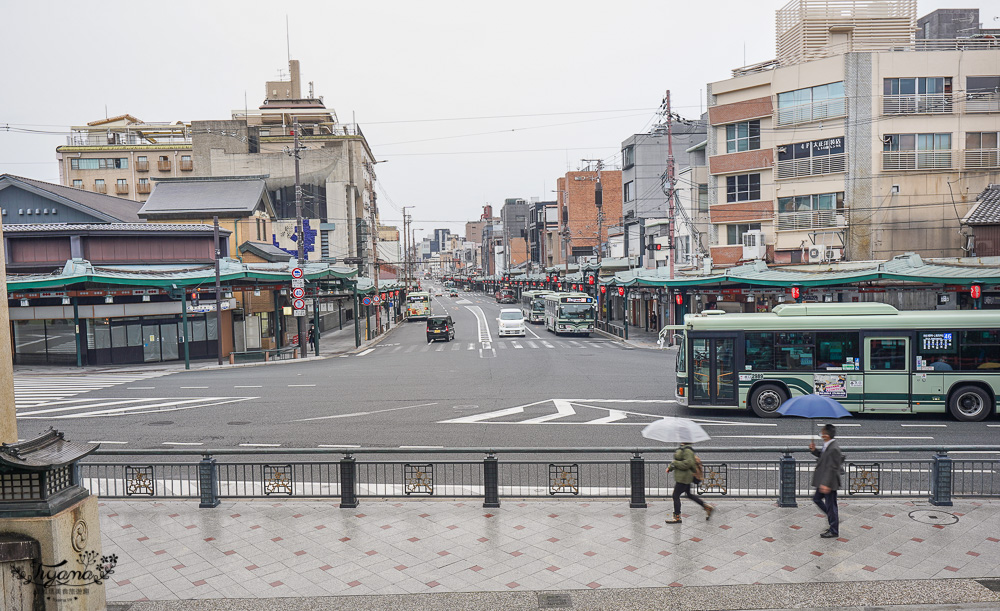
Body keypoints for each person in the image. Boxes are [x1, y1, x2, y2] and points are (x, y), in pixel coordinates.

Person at [664, 442, 713, 524]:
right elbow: (678, 460)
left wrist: (675, 463)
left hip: (684, 478)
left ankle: (677, 517)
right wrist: (670, 467)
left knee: (675, 495)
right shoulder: (683, 448)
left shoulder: (687, 450)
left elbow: (687, 464)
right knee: (689, 494)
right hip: (683, 477)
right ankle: (706, 507)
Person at [809, 423, 844, 539]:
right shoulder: (827, 445)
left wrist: (826, 484)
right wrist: (814, 451)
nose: (821, 434)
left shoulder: (833, 448)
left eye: (823, 432)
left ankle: (834, 529)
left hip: (829, 482)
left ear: (827, 435)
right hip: (824, 481)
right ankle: (833, 518)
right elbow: (823, 457)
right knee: (817, 499)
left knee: (831, 505)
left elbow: (832, 467)